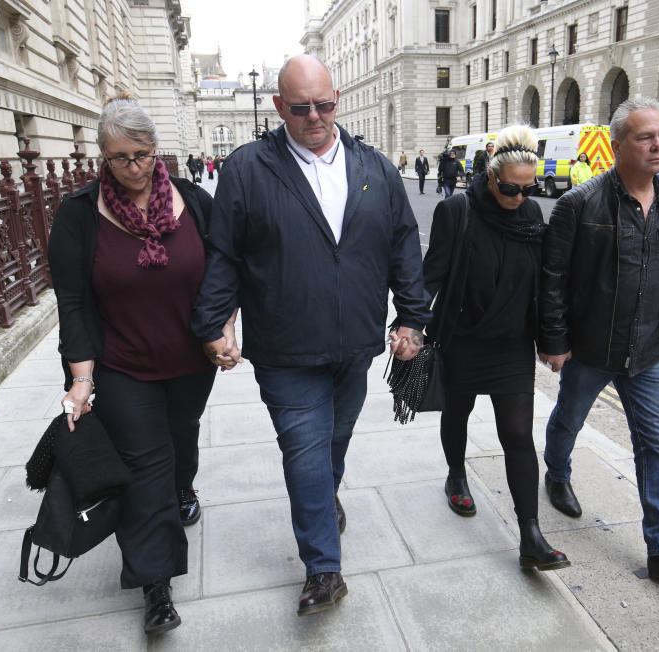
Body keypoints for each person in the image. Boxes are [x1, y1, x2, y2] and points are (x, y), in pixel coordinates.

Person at [191, 54, 431, 617]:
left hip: (356, 344)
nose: (315, 117)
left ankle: (323, 500)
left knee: (333, 443)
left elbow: (403, 246)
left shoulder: (375, 167)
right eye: (301, 108)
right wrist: (212, 324)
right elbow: (223, 254)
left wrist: (412, 318)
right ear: (279, 107)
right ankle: (323, 567)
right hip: (285, 347)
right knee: (304, 452)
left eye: (324, 104)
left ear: (338, 99)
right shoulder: (249, 168)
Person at [48, 95, 227, 634]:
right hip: (122, 365)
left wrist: (223, 330)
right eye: (120, 158)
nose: (133, 168)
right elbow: (74, 304)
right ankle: (156, 586)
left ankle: (183, 487)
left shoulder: (193, 202)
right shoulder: (79, 217)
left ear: (156, 152)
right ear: (103, 157)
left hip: (191, 361)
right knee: (145, 467)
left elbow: (221, 276)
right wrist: (81, 380)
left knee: (179, 441)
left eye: (143, 155)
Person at [538, 97, 659, 582]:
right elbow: (552, 277)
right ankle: (557, 474)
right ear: (618, 146)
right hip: (592, 347)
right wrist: (554, 340)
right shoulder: (578, 203)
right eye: (646, 137)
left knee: (657, 445)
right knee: (568, 420)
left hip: (649, 351)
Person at [423, 125, 570, 572]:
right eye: (511, 187)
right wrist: (410, 325)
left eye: (529, 189)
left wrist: (552, 339)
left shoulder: (531, 215)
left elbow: (548, 283)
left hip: (511, 345)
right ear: (490, 176)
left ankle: (530, 535)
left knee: (518, 435)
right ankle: (456, 474)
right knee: (458, 413)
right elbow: (430, 275)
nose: (520, 196)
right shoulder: (456, 211)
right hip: (464, 339)